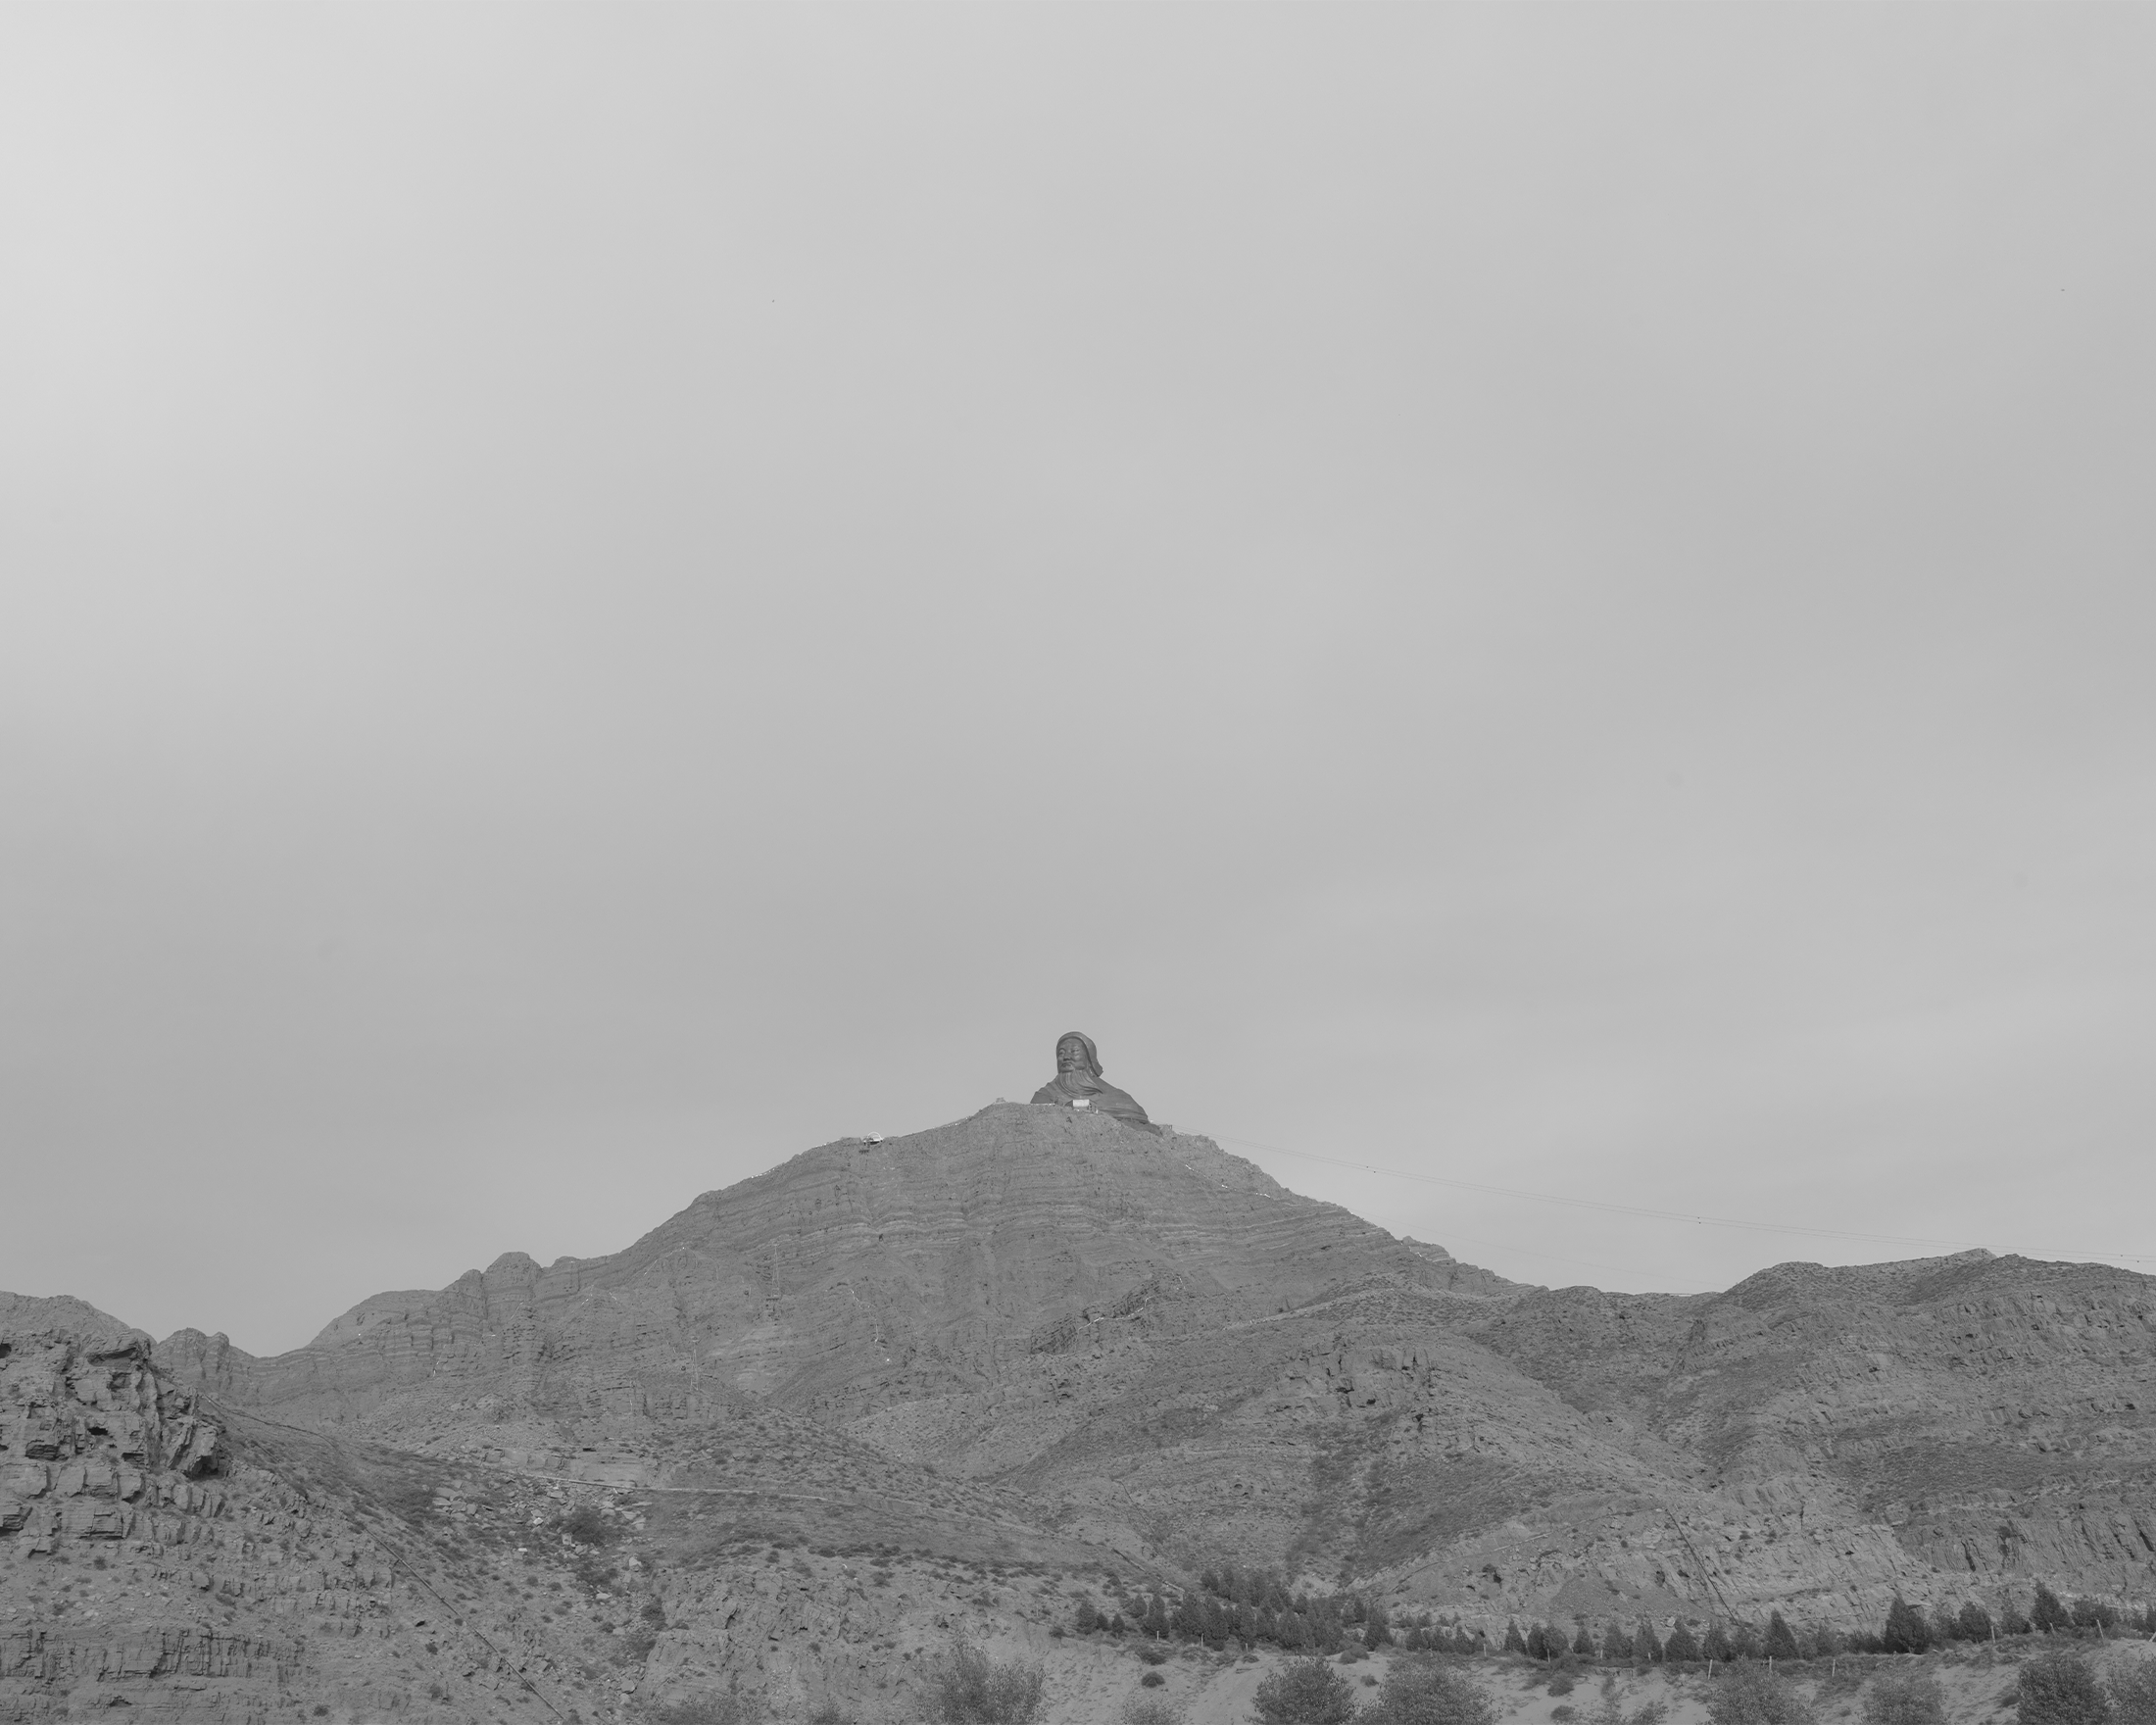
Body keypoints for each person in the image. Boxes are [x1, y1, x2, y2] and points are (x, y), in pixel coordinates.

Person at [1030, 1032, 1159, 1134]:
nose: (1066, 1057)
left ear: (1088, 1060)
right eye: (1061, 1053)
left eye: (1074, 1051)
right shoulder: (1045, 1094)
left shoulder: (1117, 1096)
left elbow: (1137, 1114)